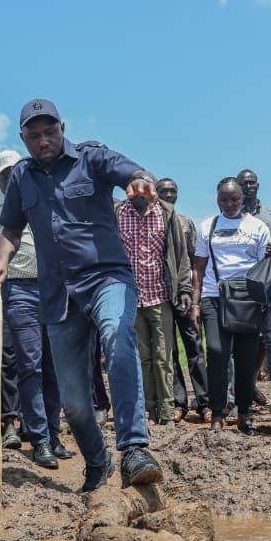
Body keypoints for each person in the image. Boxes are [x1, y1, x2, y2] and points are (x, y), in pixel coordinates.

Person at [0, 98, 163, 492]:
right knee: (75, 401)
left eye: (50, 132)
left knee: (118, 336)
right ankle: (98, 463)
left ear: (63, 128)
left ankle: (134, 449)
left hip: (106, 278)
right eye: (34, 135)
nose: (43, 140)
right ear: (23, 139)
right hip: (57, 294)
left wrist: (141, 182)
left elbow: (134, 172)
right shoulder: (21, 178)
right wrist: (1, 262)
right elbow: (11, 229)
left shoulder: (91, 158)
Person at [0, 150, 72, 468]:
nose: (10, 177)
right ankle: (40, 439)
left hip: (53, 287)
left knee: (54, 364)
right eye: (3, 174)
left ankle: (54, 434)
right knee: (30, 365)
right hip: (18, 288)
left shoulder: (43, 194)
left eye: (14, 171)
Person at [192, 178, 271, 434]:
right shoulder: (208, 226)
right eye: (224, 199)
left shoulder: (257, 227)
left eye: (234, 199)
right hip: (214, 298)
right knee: (216, 353)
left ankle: (244, 413)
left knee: (246, 359)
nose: (229, 204)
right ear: (217, 200)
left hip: (247, 300)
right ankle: (217, 413)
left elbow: (265, 270)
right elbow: (199, 269)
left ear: (243, 198)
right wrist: (195, 303)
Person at [115, 172, 194, 425]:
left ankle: (168, 411)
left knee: (164, 356)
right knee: (144, 357)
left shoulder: (166, 213)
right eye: (135, 187)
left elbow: (181, 257)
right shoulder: (119, 214)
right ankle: (149, 410)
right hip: (131, 297)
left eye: (145, 187)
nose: (140, 192)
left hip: (160, 295)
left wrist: (184, 289)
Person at [156, 178, 209, 423]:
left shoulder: (185, 222)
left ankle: (204, 401)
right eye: (163, 190)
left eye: (172, 191)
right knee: (169, 351)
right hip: (158, 295)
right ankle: (179, 403)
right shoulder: (150, 221)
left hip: (183, 293)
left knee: (194, 347)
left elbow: (192, 261)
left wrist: (191, 294)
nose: (168, 194)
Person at [237, 168, 271, 416]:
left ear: (258, 186)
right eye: (243, 183)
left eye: (252, 183)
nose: (248, 187)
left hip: (270, 292)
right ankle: (243, 394)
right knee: (243, 346)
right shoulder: (230, 215)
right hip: (241, 294)